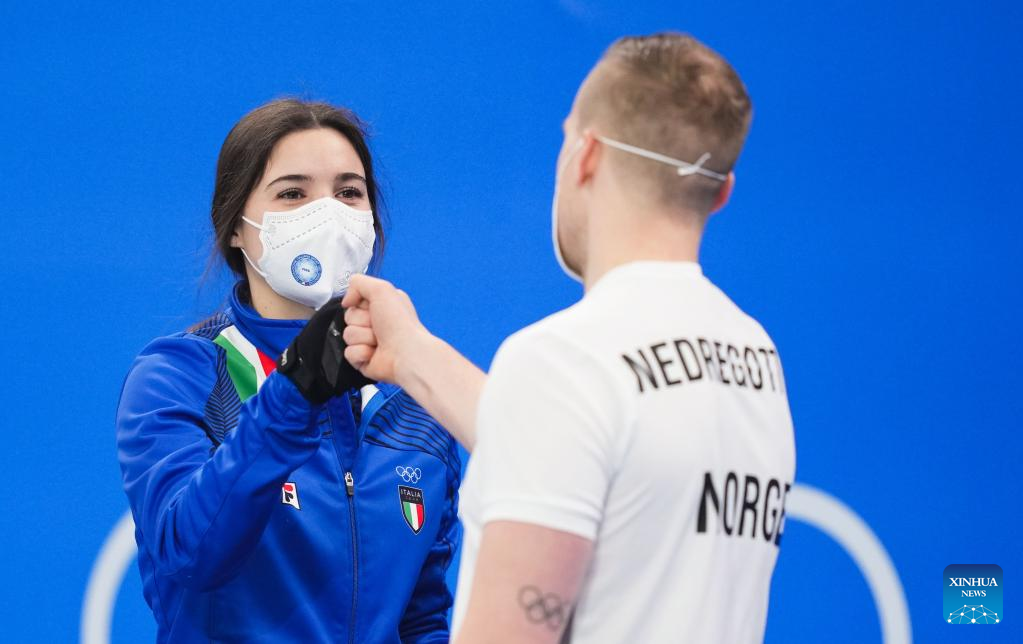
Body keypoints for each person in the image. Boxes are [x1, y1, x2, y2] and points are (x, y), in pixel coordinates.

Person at [340, 33, 797, 643]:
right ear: (721, 192)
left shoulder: (563, 363)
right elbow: (585, 459)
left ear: (587, 156)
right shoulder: (753, 354)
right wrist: (413, 355)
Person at [115, 99, 461, 643]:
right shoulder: (181, 376)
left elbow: (422, 621)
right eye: (293, 194)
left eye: (349, 193)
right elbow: (190, 553)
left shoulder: (415, 405)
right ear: (235, 226)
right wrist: (296, 390)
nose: (328, 214)